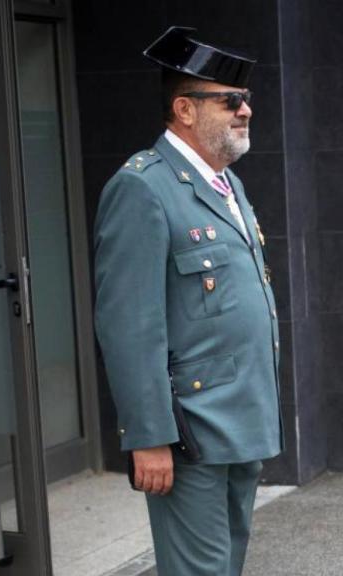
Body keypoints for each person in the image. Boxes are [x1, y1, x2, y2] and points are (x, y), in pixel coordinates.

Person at [93, 26, 282, 575]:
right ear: (185, 109)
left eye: (245, 100)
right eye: (230, 100)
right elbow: (129, 324)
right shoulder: (143, 188)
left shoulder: (226, 183)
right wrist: (147, 437)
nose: (245, 110)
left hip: (240, 419)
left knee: (227, 565)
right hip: (190, 429)